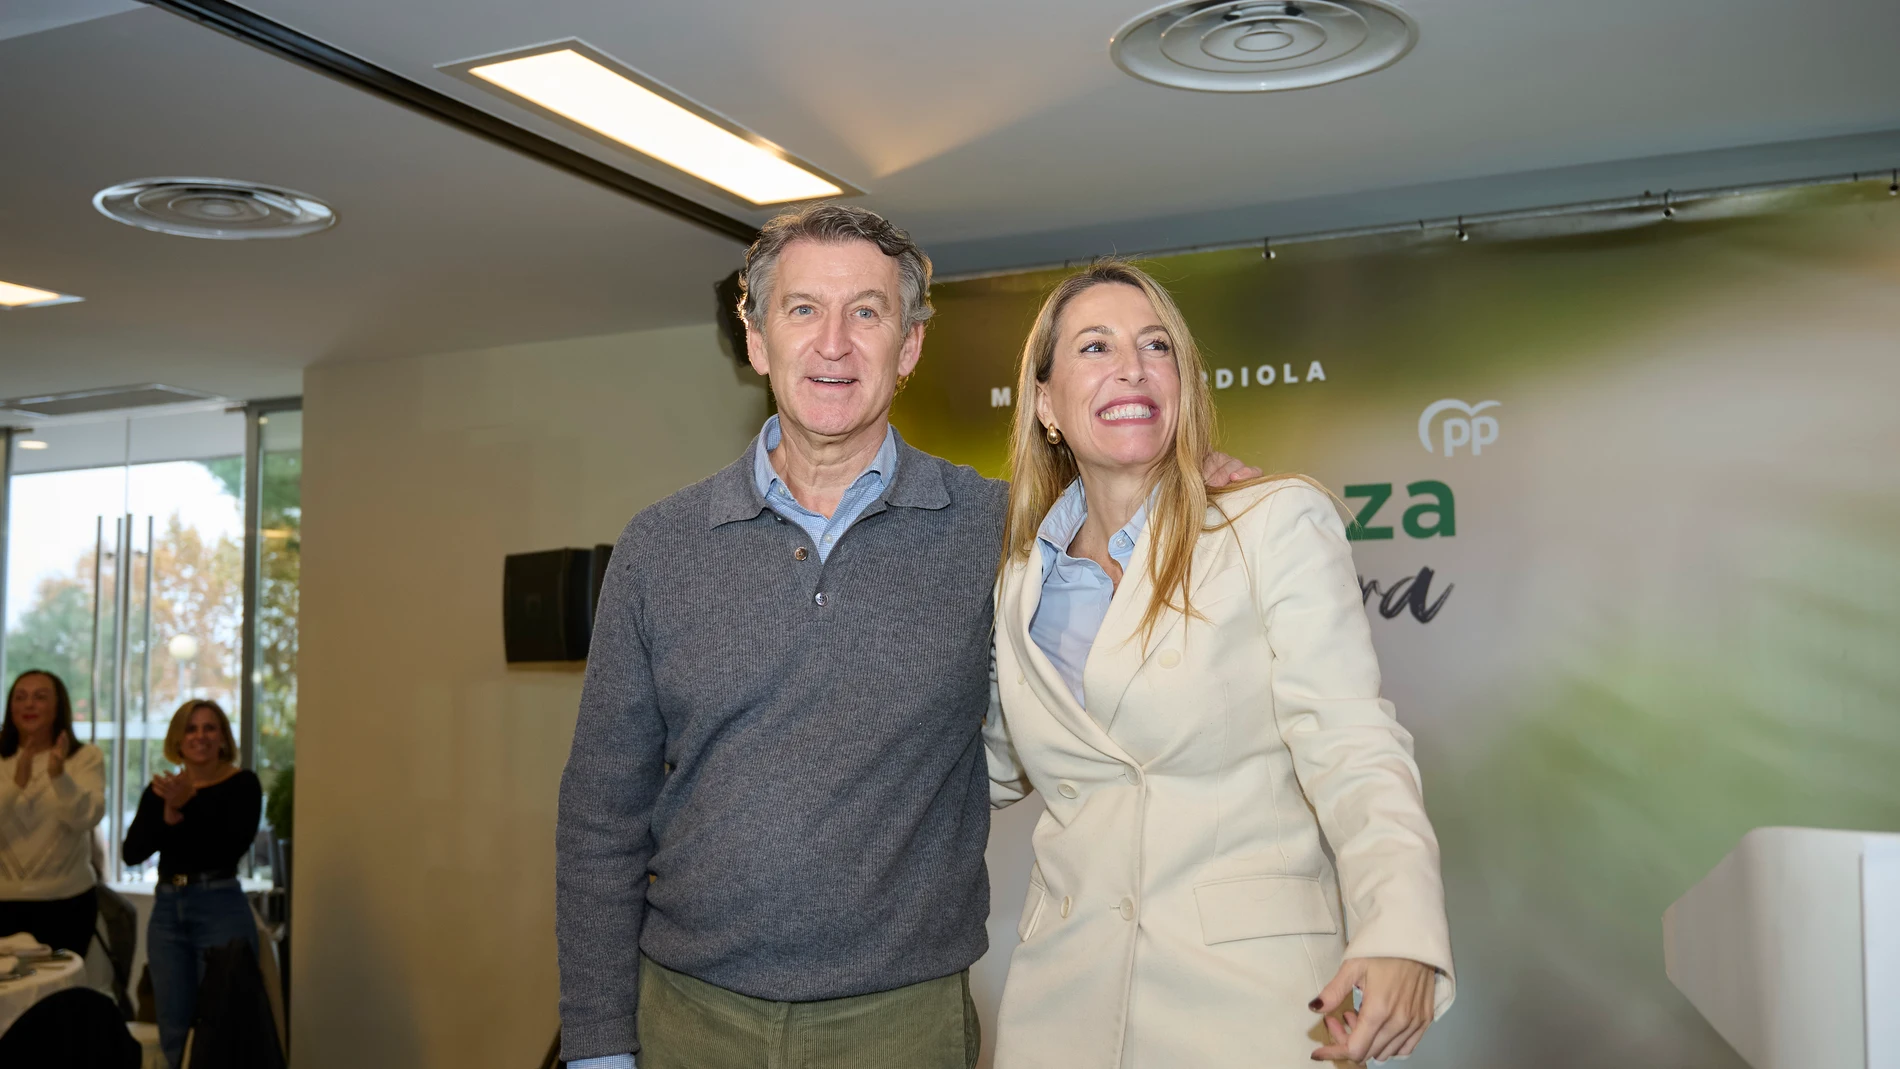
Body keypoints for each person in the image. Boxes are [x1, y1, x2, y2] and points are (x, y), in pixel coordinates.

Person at [557, 205, 1257, 1069]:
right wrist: (596, 1045)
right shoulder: (661, 546)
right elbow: (599, 817)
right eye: (803, 310)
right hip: (689, 1017)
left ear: (910, 346)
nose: (835, 344)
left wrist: (1192, 487)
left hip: (901, 1026)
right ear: (757, 339)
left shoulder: (1000, 532)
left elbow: (1122, 550)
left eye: (868, 312)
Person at [984, 260, 1456, 1068]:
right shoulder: (1014, 577)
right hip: (1059, 1012)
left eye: (1156, 345)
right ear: (1045, 402)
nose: (1132, 365)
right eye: (1095, 346)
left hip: (1250, 1004)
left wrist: (1402, 928)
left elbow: (1352, 744)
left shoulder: (1271, 522)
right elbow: (978, 769)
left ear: (1182, 385)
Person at [123, 699, 261, 1069]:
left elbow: (229, 846)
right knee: (172, 1022)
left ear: (222, 738)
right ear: (178, 740)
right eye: (191, 728)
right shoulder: (162, 791)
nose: (200, 736)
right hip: (168, 909)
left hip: (220, 904)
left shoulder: (243, 784)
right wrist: (167, 815)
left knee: (226, 1019)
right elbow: (132, 852)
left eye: (209, 728)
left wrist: (187, 808)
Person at [0, 669, 105, 955]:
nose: (29, 705)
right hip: (4, 903)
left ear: (59, 707)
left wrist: (59, 777)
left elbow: (86, 817)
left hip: (68, 903)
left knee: (62, 997)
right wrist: (15, 785)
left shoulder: (84, 757)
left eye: (40, 697)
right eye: (20, 697)